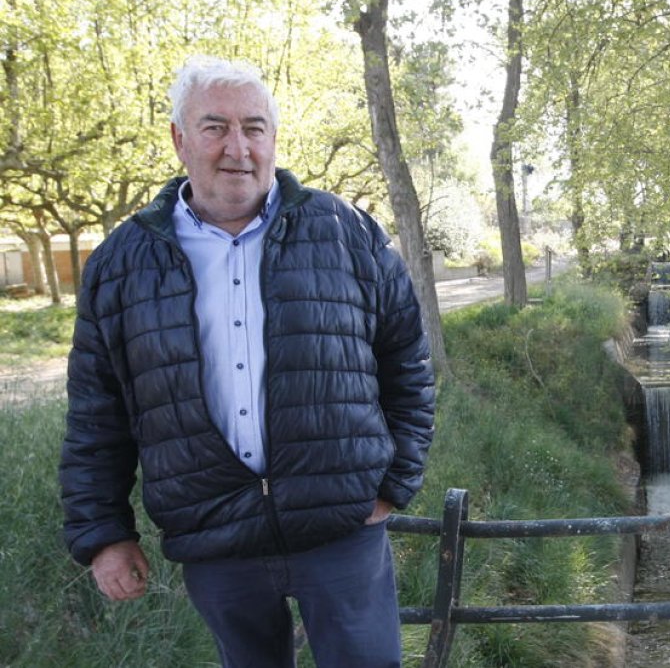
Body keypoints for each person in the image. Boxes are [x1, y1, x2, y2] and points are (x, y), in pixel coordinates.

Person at [59, 55, 436, 668]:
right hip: (216, 537)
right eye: (215, 127)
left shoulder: (349, 234)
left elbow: (408, 367)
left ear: (274, 139)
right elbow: (97, 417)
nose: (238, 147)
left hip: (341, 532)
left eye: (254, 127)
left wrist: (393, 484)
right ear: (179, 139)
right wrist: (105, 535)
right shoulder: (121, 264)